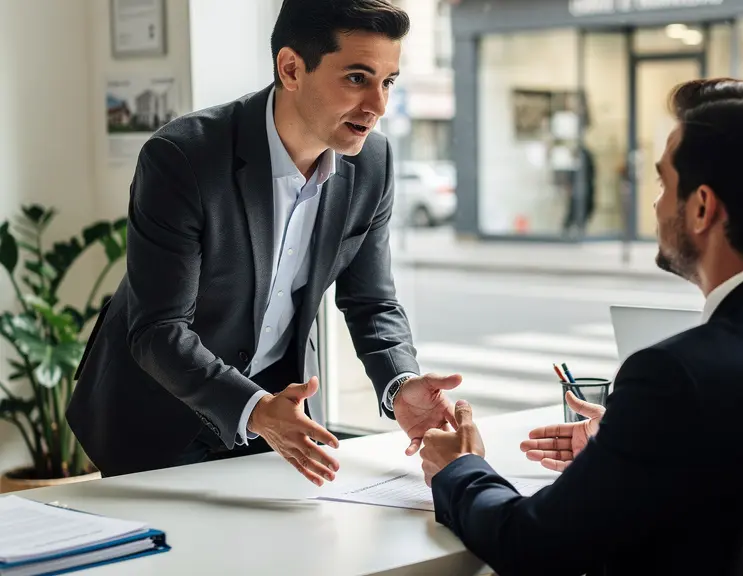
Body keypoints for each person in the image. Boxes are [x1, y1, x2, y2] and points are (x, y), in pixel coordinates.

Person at [418, 78, 743, 575]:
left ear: (701, 207)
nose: (656, 206)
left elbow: (534, 546)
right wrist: (627, 449)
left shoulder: (680, 375)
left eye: (663, 183)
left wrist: (460, 470)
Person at [67, 0, 461, 483]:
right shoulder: (182, 158)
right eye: (357, 78)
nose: (378, 106)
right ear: (292, 68)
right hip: (155, 415)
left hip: (277, 412)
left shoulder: (371, 163)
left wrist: (400, 383)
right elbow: (159, 330)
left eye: (388, 82)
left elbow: (371, 302)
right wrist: (254, 408)